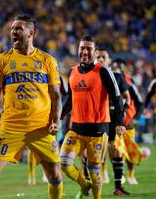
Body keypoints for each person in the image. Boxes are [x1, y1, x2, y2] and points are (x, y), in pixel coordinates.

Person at [0, 14, 63, 199]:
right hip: (11, 127)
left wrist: (55, 121)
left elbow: (56, 95)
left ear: (31, 32)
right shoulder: (1, 60)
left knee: (54, 175)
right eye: (13, 28)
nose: (13, 32)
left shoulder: (48, 60)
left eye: (19, 28)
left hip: (41, 128)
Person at [60, 36, 125, 199]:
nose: (84, 51)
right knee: (64, 163)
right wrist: (58, 117)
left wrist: (119, 122)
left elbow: (117, 97)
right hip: (75, 129)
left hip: (97, 132)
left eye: (89, 48)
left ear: (95, 52)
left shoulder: (103, 71)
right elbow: (69, 99)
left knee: (94, 171)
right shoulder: (73, 71)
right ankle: (84, 186)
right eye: (82, 48)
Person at [93, 48, 132, 194]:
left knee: (116, 152)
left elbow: (126, 97)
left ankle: (118, 187)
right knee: (95, 154)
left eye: (104, 57)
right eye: (99, 56)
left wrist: (123, 113)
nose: (101, 59)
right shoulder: (91, 75)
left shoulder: (117, 76)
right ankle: (91, 186)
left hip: (114, 119)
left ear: (109, 60)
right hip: (98, 120)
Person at [111, 59, 144, 185]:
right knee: (116, 149)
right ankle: (120, 175)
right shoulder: (107, 80)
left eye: (119, 67)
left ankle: (131, 175)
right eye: (114, 67)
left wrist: (134, 119)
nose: (117, 69)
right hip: (114, 123)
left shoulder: (129, 83)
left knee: (129, 151)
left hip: (127, 122)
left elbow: (140, 102)